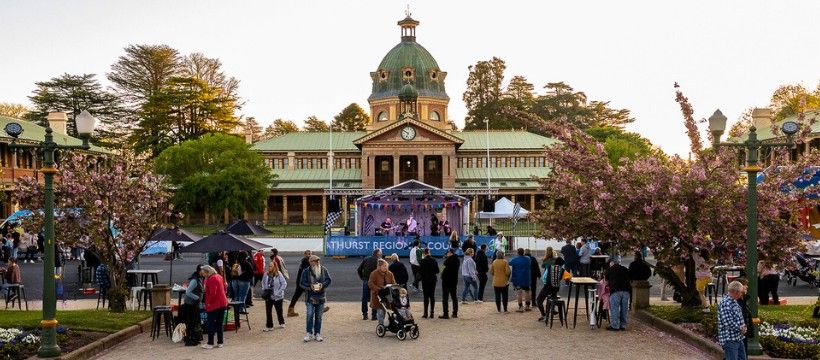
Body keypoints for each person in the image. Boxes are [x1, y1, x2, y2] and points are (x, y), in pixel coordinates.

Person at [300, 255, 331, 342]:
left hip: (321, 296)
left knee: (318, 317)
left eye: (315, 261)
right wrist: (310, 287)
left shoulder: (324, 270)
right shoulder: (306, 271)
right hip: (310, 297)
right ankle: (309, 333)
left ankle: (317, 333)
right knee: (309, 315)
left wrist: (322, 285)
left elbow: (329, 280)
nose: (314, 263)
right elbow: (302, 283)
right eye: (312, 261)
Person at [717, 281, 748, 360]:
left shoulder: (733, 301)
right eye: (741, 292)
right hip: (730, 339)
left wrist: (743, 327)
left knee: (742, 358)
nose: (741, 294)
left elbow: (738, 317)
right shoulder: (726, 303)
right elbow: (727, 322)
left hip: (737, 337)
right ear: (736, 292)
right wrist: (741, 328)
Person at [202, 265, 228, 349]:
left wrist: (208, 303)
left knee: (211, 324)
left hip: (215, 304)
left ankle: (210, 343)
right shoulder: (219, 276)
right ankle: (220, 342)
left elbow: (213, 293)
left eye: (203, 272)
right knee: (219, 324)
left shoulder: (211, 279)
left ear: (207, 272)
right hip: (222, 302)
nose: (202, 274)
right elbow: (224, 288)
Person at [606, 258, 631, 331]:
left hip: (615, 290)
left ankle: (615, 325)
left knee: (615, 308)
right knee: (624, 309)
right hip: (626, 290)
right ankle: (623, 325)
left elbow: (606, 279)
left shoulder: (610, 269)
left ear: (611, 263)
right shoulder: (625, 269)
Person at [369, 259, 396, 326]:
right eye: (384, 266)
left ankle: (392, 325)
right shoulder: (374, 273)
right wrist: (379, 289)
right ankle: (381, 325)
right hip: (378, 296)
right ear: (379, 266)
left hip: (388, 295)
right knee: (381, 312)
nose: (385, 267)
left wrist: (394, 287)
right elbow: (370, 284)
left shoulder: (390, 274)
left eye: (386, 266)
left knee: (391, 311)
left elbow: (394, 283)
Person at [537, 257, 564, 321]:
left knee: (539, 301)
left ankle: (543, 315)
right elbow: (559, 279)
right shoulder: (562, 270)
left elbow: (545, 277)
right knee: (550, 301)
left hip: (547, 287)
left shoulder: (549, 267)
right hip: (555, 289)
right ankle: (551, 311)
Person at [182, 265, 204, 346]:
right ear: (199, 271)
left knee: (194, 321)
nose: (204, 272)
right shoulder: (195, 280)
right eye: (203, 271)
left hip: (194, 304)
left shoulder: (199, 278)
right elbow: (188, 292)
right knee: (191, 322)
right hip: (191, 304)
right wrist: (197, 298)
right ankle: (188, 340)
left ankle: (193, 338)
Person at [262, 262, 287, 331]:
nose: (269, 267)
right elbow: (263, 283)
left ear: (274, 267)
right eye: (269, 266)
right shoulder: (266, 274)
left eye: (271, 266)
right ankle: (269, 326)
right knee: (268, 311)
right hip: (268, 295)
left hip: (278, 296)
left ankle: (281, 322)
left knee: (279, 310)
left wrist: (279, 292)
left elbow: (284, 283)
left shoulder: (278, 274)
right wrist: (264, 290)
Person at [357, 249, 381, 320]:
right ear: (378, 253)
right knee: (374, 297)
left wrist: (362, 277)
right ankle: (374, 315)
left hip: (366, 280)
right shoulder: (379, 261)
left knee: (364, 298)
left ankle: (365, 314)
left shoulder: (366, 259)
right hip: (374, 282)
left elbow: (359, 269)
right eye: (380, 253)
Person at [288, 250, 312, 317]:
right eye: (308, 254)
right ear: (305, 254)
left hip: (300, 281)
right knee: (312, 294)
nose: (309, 255)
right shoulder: (305, 261)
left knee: (296, 296)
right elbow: (307, 271)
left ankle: (290, 310)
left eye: (310, 254)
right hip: (302, 282)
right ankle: (318, 309)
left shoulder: (303, 261)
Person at [509, 248, 532, 312]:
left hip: (517, 278)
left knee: (519, 293)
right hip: (526, 278)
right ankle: (527, 306)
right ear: (523, 252)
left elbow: (509, 263)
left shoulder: (514, 259)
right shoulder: (527, 258)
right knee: (527, 291)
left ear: (517, 252)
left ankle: (520, 307)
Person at [440, 248, 460, 319]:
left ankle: (446, 314)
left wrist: (445, 260)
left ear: (450, 253)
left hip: (446, 281)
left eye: (447, 252)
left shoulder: (447, 261)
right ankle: (455, 313)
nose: (446, 254)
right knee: (454, 297)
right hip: (454, 281)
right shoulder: (457, 260)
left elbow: (441, 270)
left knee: (445, 298)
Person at [418, 248, 439, 318]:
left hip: (425, 281)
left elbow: (420, 272)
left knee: (426, 297)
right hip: (433, 280)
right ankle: (432, 312)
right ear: (429, 252)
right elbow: (437, 271)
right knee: (432, 296)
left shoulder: (422, 261)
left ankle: (425, 313)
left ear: (424, 253)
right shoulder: (434, 260)